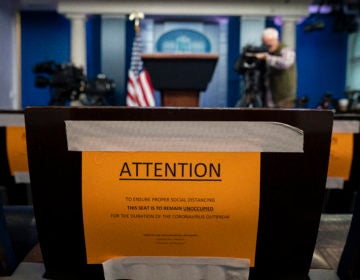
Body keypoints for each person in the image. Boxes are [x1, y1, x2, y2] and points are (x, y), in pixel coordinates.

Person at [252, 27, 297, 108]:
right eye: (264, 43)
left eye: (269, 42)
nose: (267, 45)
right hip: (270, 95)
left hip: (284, 97)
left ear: (276, 39)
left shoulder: (286, 49)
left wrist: (267, 58)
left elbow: (285, 63)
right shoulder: (267, 52)